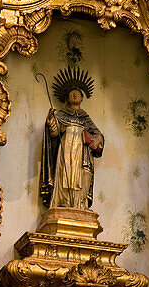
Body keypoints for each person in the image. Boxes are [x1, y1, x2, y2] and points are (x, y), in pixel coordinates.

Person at [40, 67, 104, 209]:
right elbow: (54, 133)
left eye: (78, 94)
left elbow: (97, 133)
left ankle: (79, 203)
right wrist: (51, 120)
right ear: (67, 98)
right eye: (72, 94)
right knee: (65, 173)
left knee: (82, 175)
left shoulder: (85, 117)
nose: (75, 95)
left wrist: (97, 139)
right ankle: (64, 201)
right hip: (66, 148)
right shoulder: (61, 115)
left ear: (82, 97)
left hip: (82, 152)